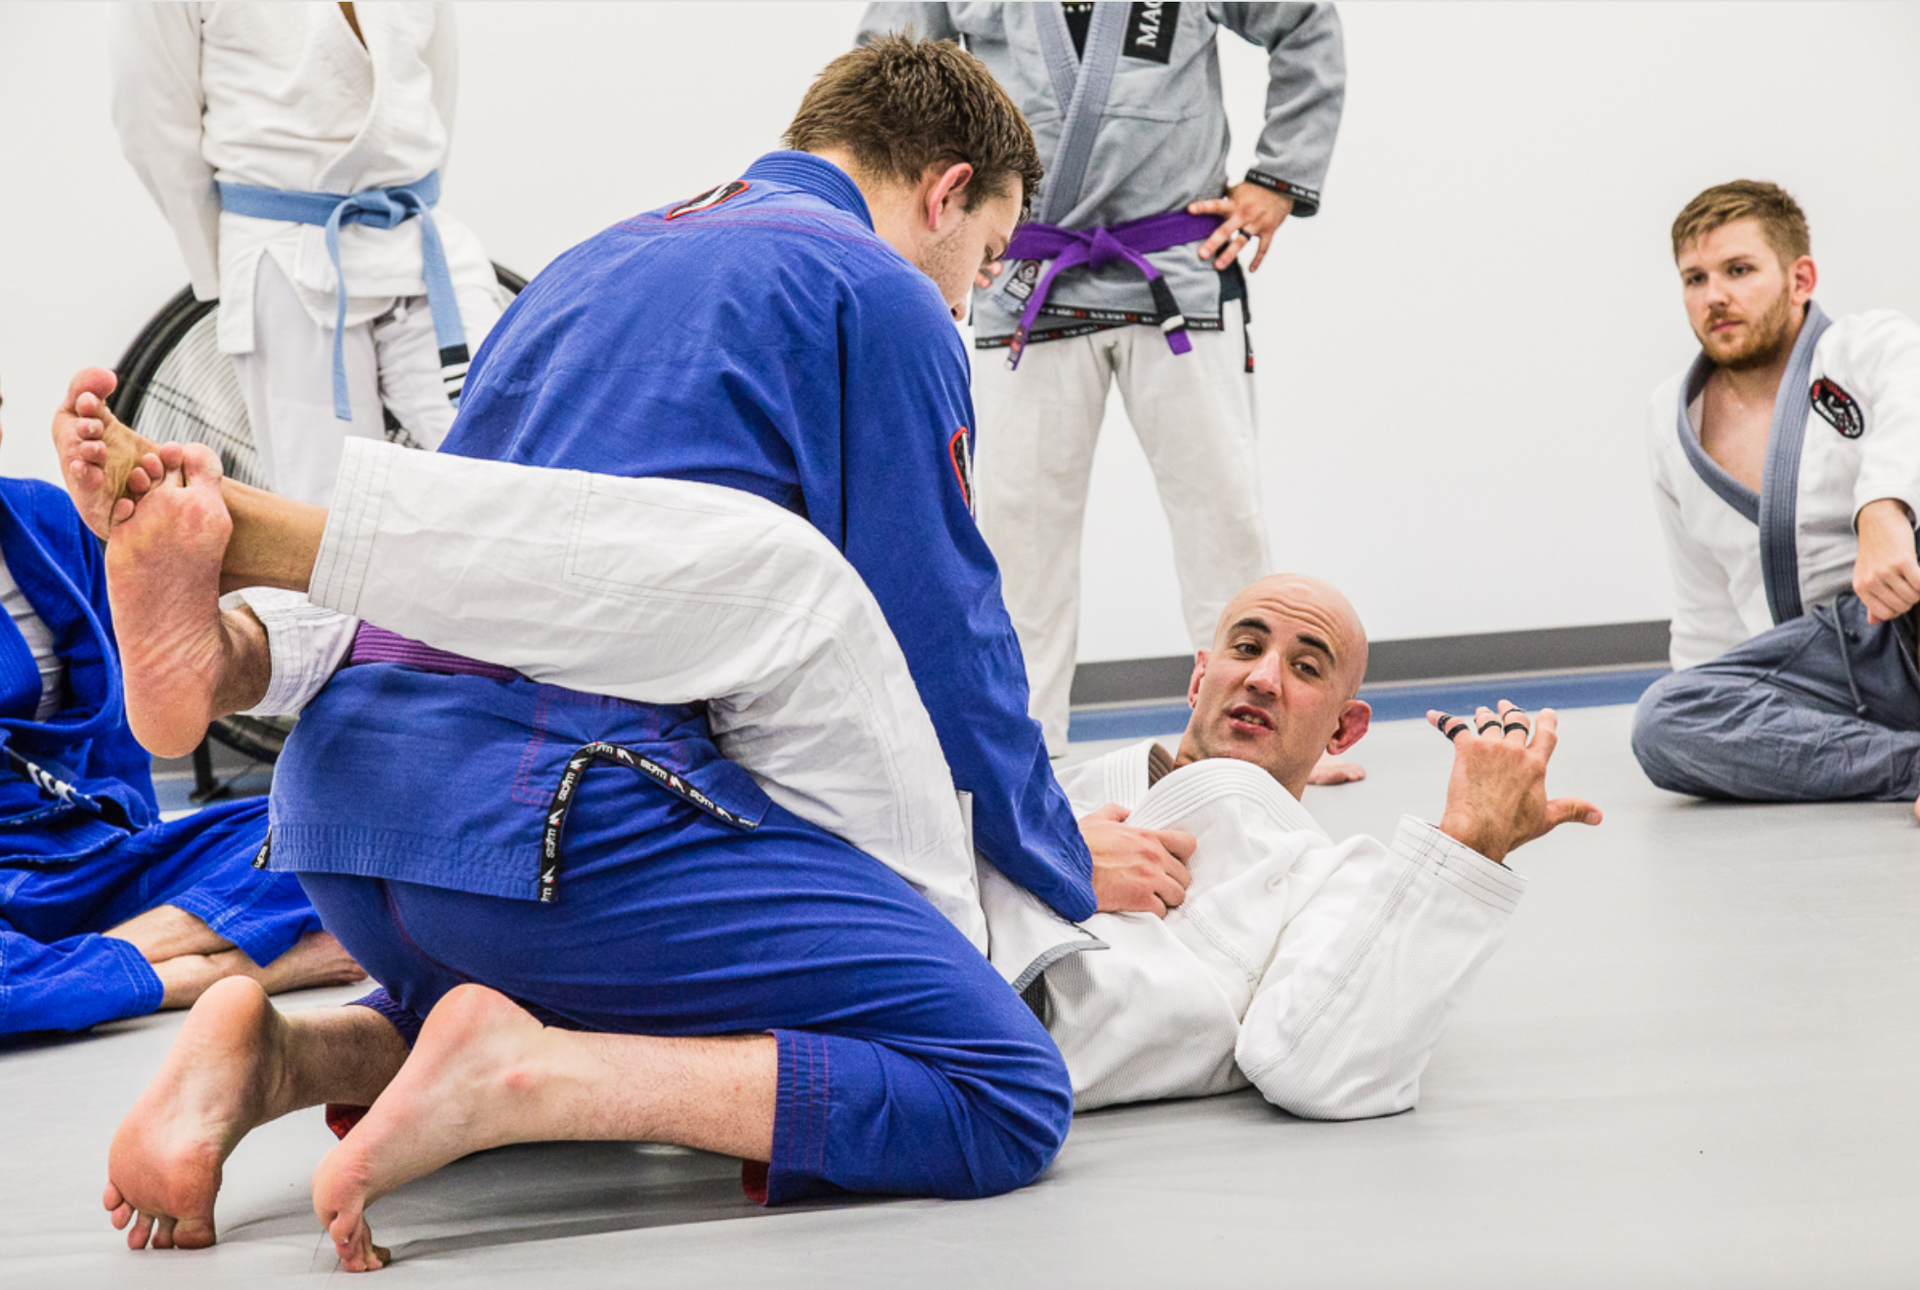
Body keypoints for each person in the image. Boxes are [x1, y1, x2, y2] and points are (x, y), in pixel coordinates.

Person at [61, 36, 1201, 1270]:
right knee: (999, 1087)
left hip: (343, 811)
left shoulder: (588, 264)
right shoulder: (878, 295)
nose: (971, 299)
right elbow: (947, 637)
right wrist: (1052, 853)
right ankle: (525, 1073)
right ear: (945, 191)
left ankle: (279, 1054)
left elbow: (474, 542)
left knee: (565, 976)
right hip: (558, 825)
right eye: (986, 257)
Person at [855, 3, 1348, 765]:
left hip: (1178, 268)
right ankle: (1021, 753)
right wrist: (934, 226)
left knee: (1223, 523)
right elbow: (886, 77)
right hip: (1026, 276)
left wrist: (1277, 178)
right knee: (1016, 542)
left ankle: (1263, 748)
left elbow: (1305, 19)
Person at [990, 573, 1600, 1112]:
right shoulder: (1050, 795)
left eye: (1306, 667)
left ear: (1345, 728)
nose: (1263, 679)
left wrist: (1469, 846)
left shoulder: (1328, 885)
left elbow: (1312, 1066)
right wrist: (1050, 857)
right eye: (1246, 649)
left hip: (983, 1051)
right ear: (1199, 678)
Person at [0, 386, 359, 1038]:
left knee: (344, 816)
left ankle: (79, 971)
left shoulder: (46, 521)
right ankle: (212, 969)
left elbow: (116, 735)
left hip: (84, 848)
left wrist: (142, 846)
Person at [110, 1, 506, 505]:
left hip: (414, 237)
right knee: (331, 509)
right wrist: (238, 267)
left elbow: (434, 83)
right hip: (285, 256)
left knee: (514, 462)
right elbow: (151, 118)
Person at [1630, 181, 1920, 814]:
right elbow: (1703, 602)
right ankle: (1909, 763)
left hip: (1906, 615)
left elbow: (1912, 403)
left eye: (1738, 270)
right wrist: (1717, 696)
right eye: (1695, 279)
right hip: (1823, 668)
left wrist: (1883, 507)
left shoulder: (1867, 346)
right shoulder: (1669, 416)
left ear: (1800, 279)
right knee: (1663, 721)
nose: (1715, 296)